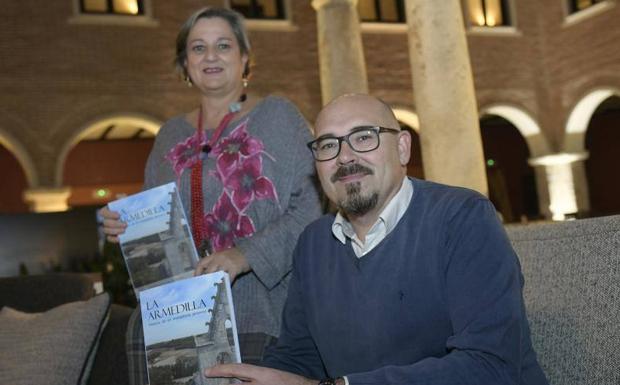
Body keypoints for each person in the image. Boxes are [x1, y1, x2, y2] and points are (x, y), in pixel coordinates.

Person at [205, 94, 549, 385]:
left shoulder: (462, 217)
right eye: (328, 144)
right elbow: (300, 358)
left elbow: (490, 365)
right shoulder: (313, 244)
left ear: (402, 148)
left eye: (364, 137)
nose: (344, 157)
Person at [100, 6, 322, 384]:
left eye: (223, 45)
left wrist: (243, 255)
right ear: (185, 64)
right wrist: (125, 225)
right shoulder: (169, 135)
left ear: (245, 57)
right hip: (175, 318)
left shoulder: (278, 116)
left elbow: (314, 206)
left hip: (258, 310)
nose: (211, 56)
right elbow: (157, 227)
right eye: (198, 48)